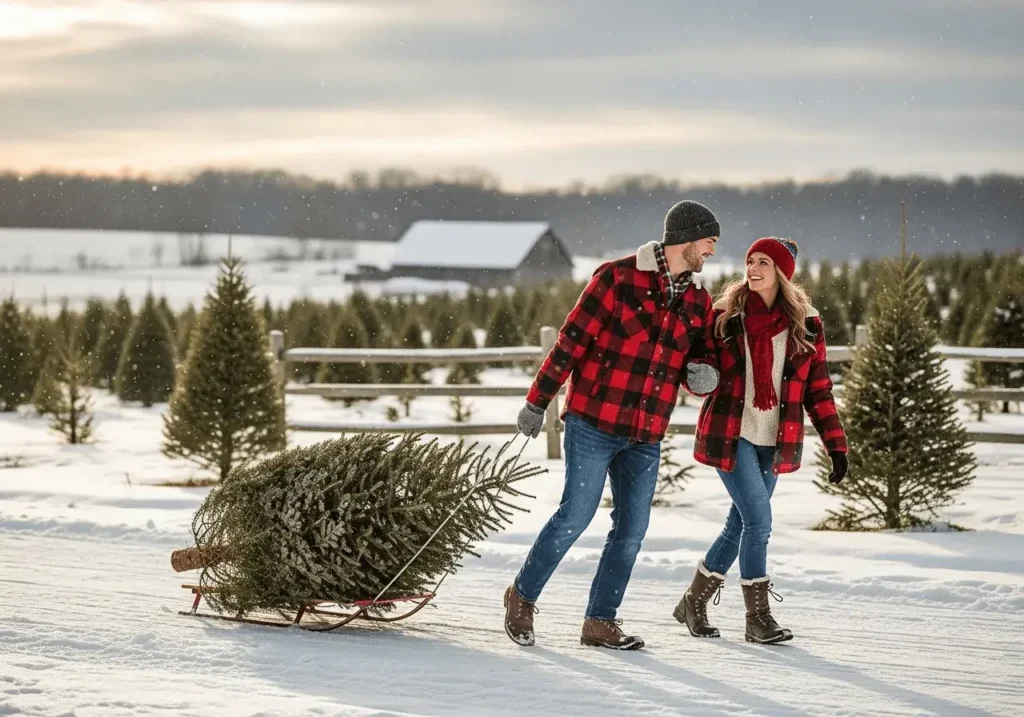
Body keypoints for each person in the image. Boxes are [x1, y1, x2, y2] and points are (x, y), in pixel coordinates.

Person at [505, 200, 722, 650]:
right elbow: (570, 342)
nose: (712, 252)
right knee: (574, 516)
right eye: (709, 242)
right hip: (593, 421)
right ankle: (521, 596)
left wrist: (703, 374)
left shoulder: (699, 301)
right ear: (687, 237)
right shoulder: (617, 278)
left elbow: (698, 359)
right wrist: (537, 401)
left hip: (646, 434)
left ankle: (600, 621)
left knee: (631, 531)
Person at [674, 237, 848, 644]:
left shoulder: (807, 324)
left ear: (782, 273)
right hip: (731, 434)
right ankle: (757, 618)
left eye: (763, 262)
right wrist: (707, 363)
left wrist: (836, 445)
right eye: (750, 260)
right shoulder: (725, 316)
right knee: (759, 522)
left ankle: (692, 602)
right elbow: (700, 371)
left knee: (740, 524)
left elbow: (818, 391)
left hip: (775, 437)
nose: (752, 268)